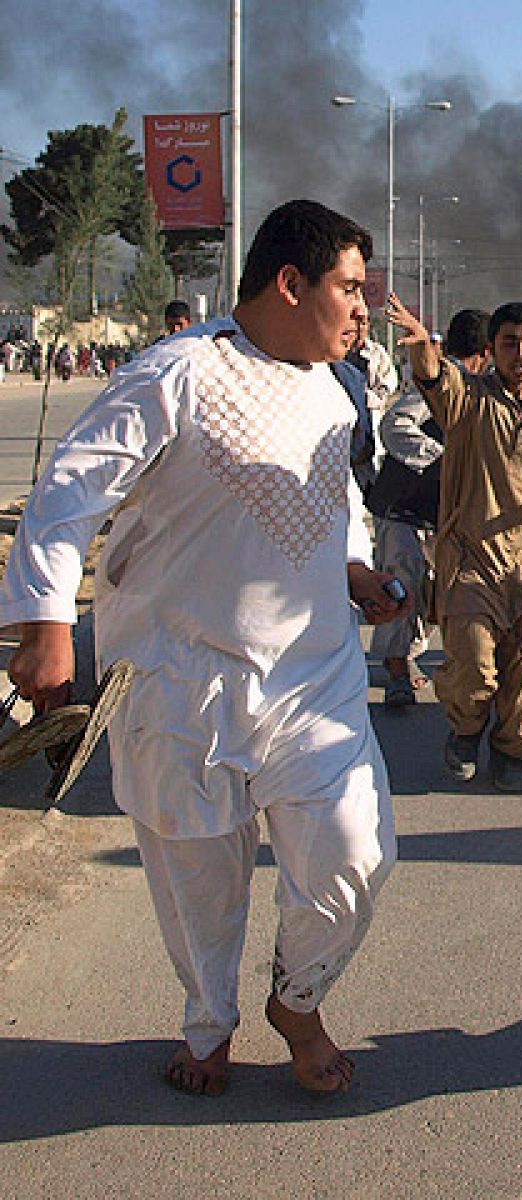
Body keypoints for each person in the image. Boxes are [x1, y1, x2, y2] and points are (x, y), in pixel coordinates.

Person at [0, 199, 406, 1096]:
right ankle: (208, 1023)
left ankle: (297, 999)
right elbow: (70, 489)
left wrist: (354, 568)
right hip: (182, 675)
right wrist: (45, 623)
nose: (363, 308)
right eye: (349, 288)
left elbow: (339, 502)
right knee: (199, 876)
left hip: (313, 679)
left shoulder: (333, 389)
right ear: (291, 284)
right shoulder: (177, 372)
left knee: (356, 849)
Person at [387, 294, 522, 793]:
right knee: (474, 663)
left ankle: (509, 752)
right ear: (492, 349)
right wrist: (422, 345)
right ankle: (465, 730)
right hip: (472, 556)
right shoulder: (468, 400)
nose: (520, 354)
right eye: (509, 343)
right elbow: (435, 380)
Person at [365, 308, 492, 708]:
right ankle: (397, 672)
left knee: (434, 593)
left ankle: (409, 658)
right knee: (402, 584)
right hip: (403, 506)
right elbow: (395, 425)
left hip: (441, 514)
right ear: (486, 351)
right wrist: (442, 460)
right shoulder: (440, 382)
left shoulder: (481, 390)